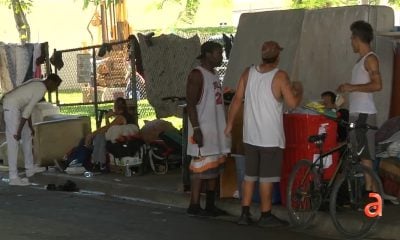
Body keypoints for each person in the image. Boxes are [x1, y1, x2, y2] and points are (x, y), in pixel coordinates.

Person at [225, 41, 303, 226]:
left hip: (250, 136)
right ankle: (265, 214)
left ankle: (245, 213)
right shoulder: (280, 76)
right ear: (278, 57)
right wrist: (299, 90)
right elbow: (292, 104)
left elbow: (236, 100)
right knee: (267, 178)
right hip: (270, 137)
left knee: (250, 176)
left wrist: (229, 125)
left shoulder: (248, 72)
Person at [186, 41, 231, 217]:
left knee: (214, 167)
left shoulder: (213, 74)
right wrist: (196, 128)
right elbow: (190, 104)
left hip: (215, 129)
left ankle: (210, 205)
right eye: (218, 53)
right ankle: (194, 205)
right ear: (207, 54)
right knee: (199, 168)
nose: (221, 56)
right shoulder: (197, 74)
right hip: (202, 129)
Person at [337, 20, 382, 193]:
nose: (351, 42)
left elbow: (377, 85)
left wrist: (352, 87)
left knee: (366, 156)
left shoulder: (370, 59)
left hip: (365, 114)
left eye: (351, 38)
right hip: (357, 114)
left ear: (357, 38)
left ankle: (371, 194)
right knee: (361, 156)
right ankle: (367, 191)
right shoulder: (360, 61)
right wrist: (347, 89)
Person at [2, 74, 62, 186]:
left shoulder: (37, 82)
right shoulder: (41, 89)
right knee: (13, 141)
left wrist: (29, 127)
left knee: (28, 134)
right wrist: (18, 131)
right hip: (11, 106)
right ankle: (13, 177)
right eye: (56, 86)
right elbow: (27, 110)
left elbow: (26, 108)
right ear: (50, 82)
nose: (55, 89)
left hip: (17, 106)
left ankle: (29, 168)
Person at [84, 97, 135, 170]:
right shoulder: (125, 116)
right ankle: (98, 162)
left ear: (116, 107)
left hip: (120, 142)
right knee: (99, 136)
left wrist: (92, 134)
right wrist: (107, 118)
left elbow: (107, 128)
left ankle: (98, 163)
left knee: (99, 136)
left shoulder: (121, 118)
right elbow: (109, 129)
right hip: (119, 139)